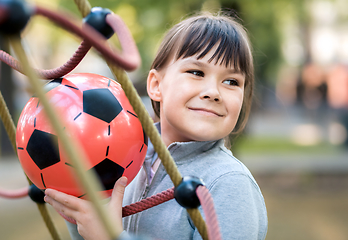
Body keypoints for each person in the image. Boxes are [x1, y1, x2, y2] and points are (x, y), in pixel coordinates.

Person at [44, 11, 268, 240]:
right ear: (156, 85)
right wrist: (78, 212)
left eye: (231, 81)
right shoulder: (128, 160)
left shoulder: (228, 183)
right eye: (197, 72)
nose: (213, 92)